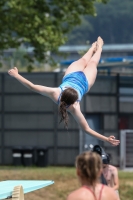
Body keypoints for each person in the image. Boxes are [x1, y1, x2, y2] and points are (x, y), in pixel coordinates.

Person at [8, 36, 120, 146]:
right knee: (92, 63)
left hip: (71, 75)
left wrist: (17, 75)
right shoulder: (75, 108)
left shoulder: (56, 93)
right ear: (75, 100)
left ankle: (92, 48)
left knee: (83, 60)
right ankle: (99, 48)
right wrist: (106, 139)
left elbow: (32, 86)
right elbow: (86, 129)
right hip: (85, 82)